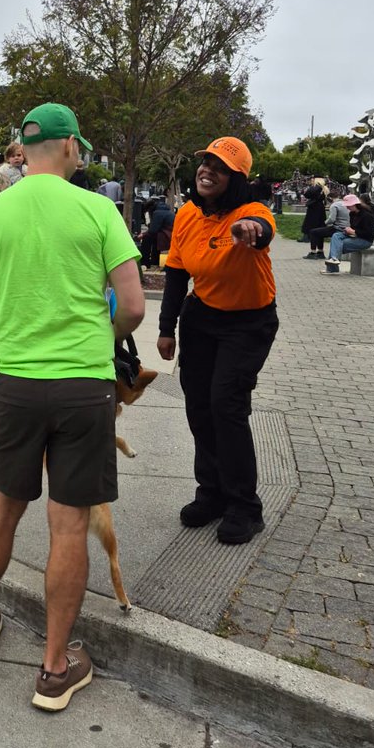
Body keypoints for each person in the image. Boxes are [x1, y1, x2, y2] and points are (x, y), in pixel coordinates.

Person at [0, 103, 144, 712]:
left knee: (2, 506)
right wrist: (98, 336)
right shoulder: (98, 210)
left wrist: (19, 315)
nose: (80, 153)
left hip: (15, 386)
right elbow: (133, 307)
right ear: (66, 147)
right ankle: (55, 669)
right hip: (83, 386)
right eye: (79, 145)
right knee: (68, 524)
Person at [157, 136, 278, 546]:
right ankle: (211, 493)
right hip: (202, 318)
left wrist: (253, 231)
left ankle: (245, 506)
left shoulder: (251, 212)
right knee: (199, 407)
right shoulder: (188, 214)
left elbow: (263, 228)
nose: (207, 171)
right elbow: (176, 275)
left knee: (226, 406)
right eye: (206, 163)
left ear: (237, 178)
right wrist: (166, 328)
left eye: (220, 167)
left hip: (248, 323)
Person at [324, 194, 374, 272]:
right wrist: (349, 230)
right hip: (354, 235)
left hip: (365, 240)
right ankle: (334, 261)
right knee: (336, 236)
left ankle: (332, 268)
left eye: (348, 206)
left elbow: (370, 233)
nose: (347, 207)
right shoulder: (352, 214)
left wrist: (354, 231)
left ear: (354, 204)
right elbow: (354, 227)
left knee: (336, 245)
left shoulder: (367, 216)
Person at [304, 189, 348, 260]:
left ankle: (313, 252)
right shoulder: (344, 203)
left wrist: (324, 223)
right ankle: (320, 252)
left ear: (330, 198)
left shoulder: (334, 205)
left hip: (338, 228)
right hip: (346, 227)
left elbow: (332, 219)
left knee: (313, 232)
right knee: (320, 232)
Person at [139, 196, 175, 267]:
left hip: (167, 235)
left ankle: (145, 261)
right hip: (170, 233)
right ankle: (154, 261)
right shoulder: (166, 211)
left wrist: (143, 234)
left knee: (147, 238)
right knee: (154, 238)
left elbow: (153, 230)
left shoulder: (157, 213)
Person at [300, 179, 327, 244]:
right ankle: (317, 237)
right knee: (319, 222)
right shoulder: (324, 188)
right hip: (320, 206)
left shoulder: (315, 187)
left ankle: (307, 237)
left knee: (309, 222)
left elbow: (307, 194)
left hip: (314, 206)